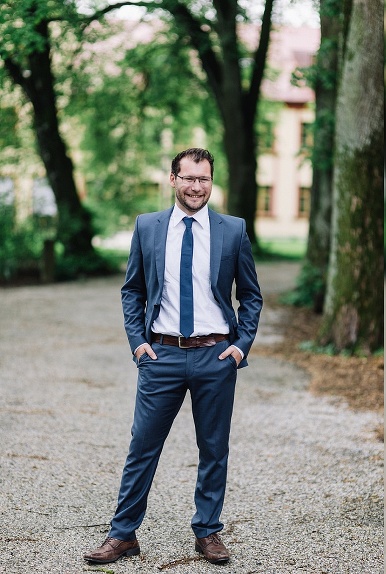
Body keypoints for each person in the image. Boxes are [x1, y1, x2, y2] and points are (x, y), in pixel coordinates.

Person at [84, 148, 262, 565]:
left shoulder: (232, 230)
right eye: (189, 178)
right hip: (160, 355)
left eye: (204, 179)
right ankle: (122, 534)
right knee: (142, 446)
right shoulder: (148, 227)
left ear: (211, 182)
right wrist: (137, 342)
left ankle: (208, 532)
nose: (197, 186)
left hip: (216, 356)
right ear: (173, 179)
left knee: (214, 448)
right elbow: (132, 290)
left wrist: (240, 346)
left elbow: (250, 295)